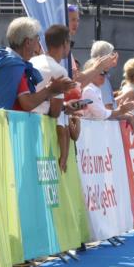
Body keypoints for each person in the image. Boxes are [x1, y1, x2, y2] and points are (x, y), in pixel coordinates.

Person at [0, 17, 73, 111]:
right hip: (7, 124)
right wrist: (49, 89)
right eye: (37, 39)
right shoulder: (15, 67)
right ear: (28, 42)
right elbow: (27, 103)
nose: (38, 44)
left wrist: (55, 97)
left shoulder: (6, 61)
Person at [31, 24, 82, 171]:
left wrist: (64, 105)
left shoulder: (33, 61)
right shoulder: (59, 70)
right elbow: (55, 112)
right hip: (40, 130)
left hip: (25, 121)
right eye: (70, 43)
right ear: (65, 43)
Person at [80, 57, 134, 123]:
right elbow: (101, 115)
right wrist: (120, 111)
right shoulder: (89, 90)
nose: (104, 75)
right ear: (91, 72)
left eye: (106, 73)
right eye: (101, 72)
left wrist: (122, 111)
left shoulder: (95, 90)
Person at [91, 40, 118, 110]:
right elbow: (108, 109)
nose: (114, 58)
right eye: (112, 55)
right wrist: (124, 113)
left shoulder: (97, 74)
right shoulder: (100, 77)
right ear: (104, 57)